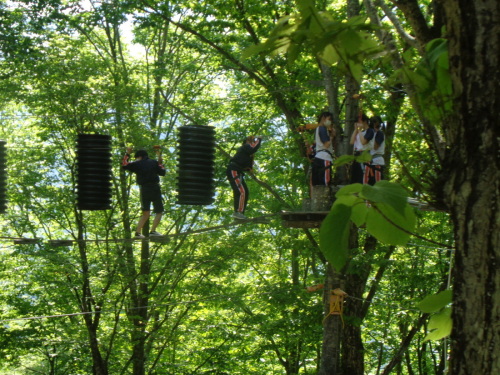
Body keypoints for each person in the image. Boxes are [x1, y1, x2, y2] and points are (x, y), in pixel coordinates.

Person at [122, 147, 166, 238]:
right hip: (155, 188)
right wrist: (160, 162)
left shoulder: (136, 163)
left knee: (146, 213)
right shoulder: (154, 162)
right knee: (159, 211)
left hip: (144, 189)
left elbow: (124, 165)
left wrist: (128, 153)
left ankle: (137, 233)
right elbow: (162, 172)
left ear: (139, 157)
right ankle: (153, 231)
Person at [226, 135, 262, 220]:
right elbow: (253, 148)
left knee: (244, 191)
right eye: (251, 142)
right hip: (234, 170)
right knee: (242, 191)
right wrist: (259, 139)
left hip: (237, 171)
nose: (252, 143)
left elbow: (248, 166)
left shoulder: (246, 154)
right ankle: (238, 212)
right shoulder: (245, 147)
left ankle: (238, 213)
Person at [311, 112, 336, 186]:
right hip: (324, 157)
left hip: (318, 157)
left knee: (317, 183)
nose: (330, 121)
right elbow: (327, 144)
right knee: (325, 182)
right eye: (329, 119)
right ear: (323, 118)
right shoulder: (322, 129)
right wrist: (332, 136)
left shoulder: (319, 129)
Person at [349, 114, 374, 184]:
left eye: (359, 122)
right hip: (356, 155)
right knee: (355, 178)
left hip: (364, 155)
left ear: (364, 121)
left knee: (363, 177)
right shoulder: (360, 132)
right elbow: (351, 142)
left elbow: (364, 142)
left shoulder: (370, 131)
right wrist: (356, 130)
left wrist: (359, 131)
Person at [363, 116, 385, 185]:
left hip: (377, 161)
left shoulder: (379, 134)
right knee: (368, 182)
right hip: (369, 161)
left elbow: (375, 146)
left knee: (377, 183)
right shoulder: (370, 133)